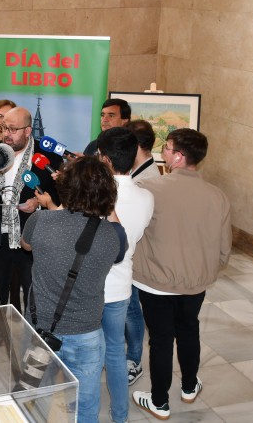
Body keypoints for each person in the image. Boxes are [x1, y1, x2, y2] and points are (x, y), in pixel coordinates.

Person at [132, 129, 232, 421]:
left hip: (156, 282)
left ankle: (159, 401)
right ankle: (189, 386)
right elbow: (225, 249)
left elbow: (135, 234)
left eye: (167, 148)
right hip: (196, 282)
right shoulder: (218, 196)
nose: (162, 152)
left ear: (178, 156)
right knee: (189, 330)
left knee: (161, 339)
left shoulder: (151, 189)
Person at [20, 156, 126, 423]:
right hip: (86, 335)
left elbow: (27, 246)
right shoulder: (111, 235)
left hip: (39, 330)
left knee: (32, 400)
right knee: (86, 404)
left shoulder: (40, 223)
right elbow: (118, 242)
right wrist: (108, 205)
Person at [96, 127, 154, 423]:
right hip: (121, 286)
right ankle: (120, 415)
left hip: (90, 286)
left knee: (88, 354)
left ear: (104, 159)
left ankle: (85, 410)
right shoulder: (146, 198)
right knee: (116, 352)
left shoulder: (94, 194)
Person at [0, 106, 62, 312]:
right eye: (4, 128)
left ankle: (33, 341)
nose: (6, 134)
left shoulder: (49, 158)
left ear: (28, 131)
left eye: (13, 129)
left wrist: (39, 204)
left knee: (34, 296)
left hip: (32, 239)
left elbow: (60, 197)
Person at [123, 119, 160, 386]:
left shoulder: (148, 178)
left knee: (132, 311)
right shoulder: (138, 170)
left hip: (138, 254)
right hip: (132, 251)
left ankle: (134, 360)